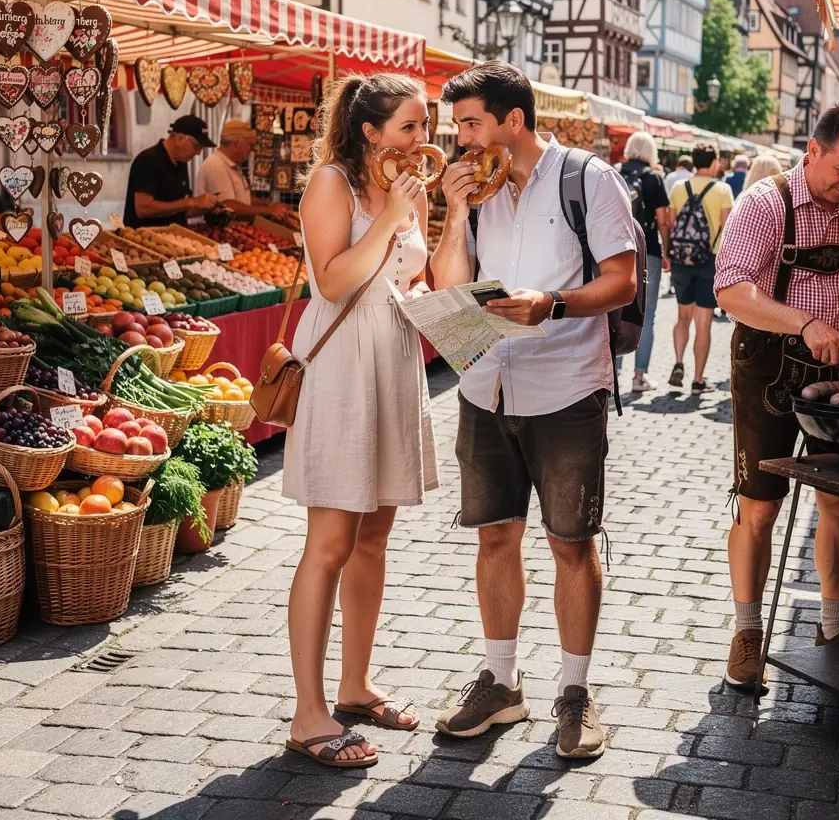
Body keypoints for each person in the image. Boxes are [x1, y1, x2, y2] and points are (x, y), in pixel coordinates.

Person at [430, 60, 637, 759]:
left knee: (571, 543)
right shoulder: (475, 189)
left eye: (470, 123)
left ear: (512, 120)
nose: (460, 138)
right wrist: (454, 213)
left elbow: (622, 281)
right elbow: (450, 287)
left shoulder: (588, 179)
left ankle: (575, 693)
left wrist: (554, 304)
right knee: (494, 536)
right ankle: (500, 683)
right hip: (485, 380)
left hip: (566, 385)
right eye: (457, 125)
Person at [714, 104, 839, 692]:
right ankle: (747, 632)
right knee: (759, 506)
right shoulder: (765, 203)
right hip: (767, 363)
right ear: (813, 151)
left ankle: (834, 626)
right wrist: (804, 323)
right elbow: (733, 290)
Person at [282, 74, 439, 768]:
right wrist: (389, 215)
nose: (422, 138)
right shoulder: (332, 184)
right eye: (409, 126)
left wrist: (433, 266)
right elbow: (333, 280)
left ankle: (355, 685)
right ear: (370, 130)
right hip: (343, 367)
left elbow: (411, 276)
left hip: (393, 361)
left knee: (373, 538)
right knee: (330, 543)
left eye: (426, 124)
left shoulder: (412, 188)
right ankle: (307, 714)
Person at [667, 143, 733, 394]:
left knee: (683, 316)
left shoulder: (678, 187)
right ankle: (697, 380)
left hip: (681, 260)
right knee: (703, 322)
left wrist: (667, 253)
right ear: (714, 161)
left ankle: (678, 362)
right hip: (710, 260)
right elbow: (728, 228)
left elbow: (671, 224)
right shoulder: (722, 190)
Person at [619, 131, 669, 392]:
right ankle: (639, 377)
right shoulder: (653, 178)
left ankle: (612, 375)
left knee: (615, 310)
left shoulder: (615, 171)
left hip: (616, 250)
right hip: (648, 250)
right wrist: (666, 250)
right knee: (647, 314)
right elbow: (663, 220)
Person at [123, 115, 221, 227]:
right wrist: (191, 202)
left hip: (173, 234)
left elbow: (178, 210)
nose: (198, 153)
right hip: (145, 235)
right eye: (196, 146)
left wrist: (205, 207)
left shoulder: (181, 162)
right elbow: (143, 209)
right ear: (179, 139)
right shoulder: (148, 160)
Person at [194, 119, 291, 220]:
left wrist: (267, 205)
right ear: (236, 144)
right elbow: (228, 206)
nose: (252, 149)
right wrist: (269, 210)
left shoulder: (231, 166)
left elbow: (242, 198)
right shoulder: (217, 167)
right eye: (250, 144)